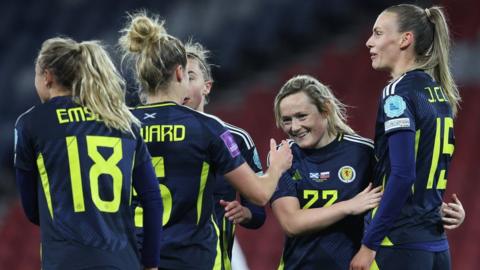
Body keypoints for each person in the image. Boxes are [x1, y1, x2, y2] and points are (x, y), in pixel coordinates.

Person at [119, 12, 292, 270]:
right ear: (179, 73)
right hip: (191, 259)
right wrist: (276, 167)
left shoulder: (115, 125)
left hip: (131, 258)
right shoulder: (209, 128)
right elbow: (260, 192)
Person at [14, 37, 162, 270]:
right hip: (123, 262)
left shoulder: (31, 124)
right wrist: (151, 264)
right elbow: (153, 201)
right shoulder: (124, 122)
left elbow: (32, 210)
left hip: (67, 261)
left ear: (47, 77)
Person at [350, 4, 462, 270]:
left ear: (405, 39)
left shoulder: (397, 93)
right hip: (436, 246)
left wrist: (369, 244)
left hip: (398, 244)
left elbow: (403, 175)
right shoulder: (438, 92)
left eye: (378, 33)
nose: (369, 42)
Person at [270, 74, 383, 270]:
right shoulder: (282, 156)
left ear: (326, 110)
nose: (295, 127)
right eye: (287, 120)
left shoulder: (364, 153)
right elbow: (291, 223)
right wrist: (348, 206)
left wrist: (436, 211)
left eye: (301, 116)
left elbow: (396, 199)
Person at [183, 40, 266, 269]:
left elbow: (258, 212)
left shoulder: (236, 139)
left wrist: (245, 213)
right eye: (177, 78)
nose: (182, 85)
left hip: (217, 258)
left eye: (190, 76)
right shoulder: (151, 134)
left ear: (207, 86)